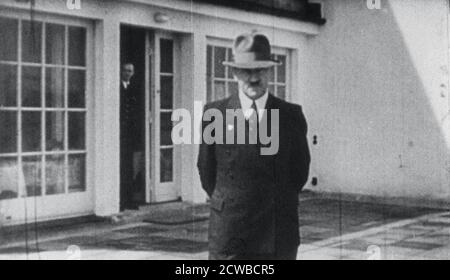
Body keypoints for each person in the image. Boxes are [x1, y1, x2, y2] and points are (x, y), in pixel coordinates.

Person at [197, 32, 311, 260]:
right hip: (230, 232)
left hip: (277, 231)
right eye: (246, 71)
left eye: (260, 70)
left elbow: (299, 173)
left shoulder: (290, 115)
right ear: (234, 73)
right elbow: (206, 171)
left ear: (269, 71)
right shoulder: (215, 114)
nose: (253, 78)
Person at [120, 63, 142, 211]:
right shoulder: (117, 87)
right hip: (120, 134)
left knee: (130, 168)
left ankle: (129, 199)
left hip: (130, 135)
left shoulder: (134, 89)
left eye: (130, 71)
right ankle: (121, 200)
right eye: (126, 70)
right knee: (121, 167)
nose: (128, 73)